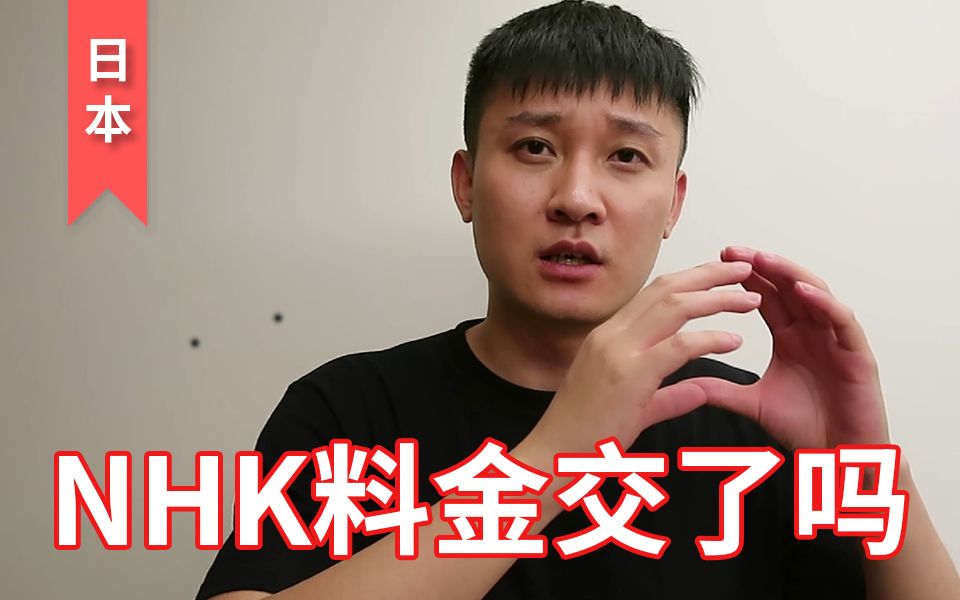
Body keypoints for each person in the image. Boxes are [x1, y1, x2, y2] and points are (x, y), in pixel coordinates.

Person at [196, 2, 959, 598]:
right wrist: (555, 455)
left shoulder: (751, 427)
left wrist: (872, 471)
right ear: (467, 183)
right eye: (535, 147)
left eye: (626, 155)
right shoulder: (351, 407)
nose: (577, 198)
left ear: (672, 203)